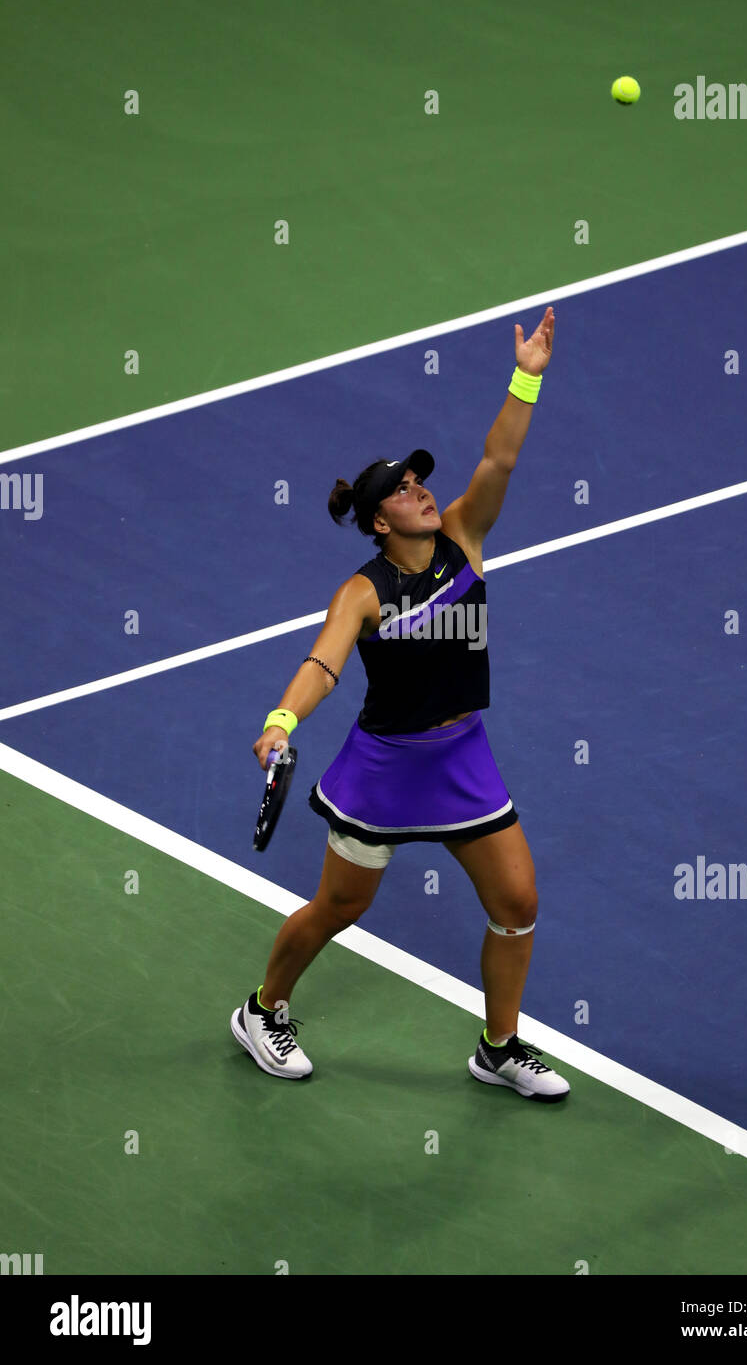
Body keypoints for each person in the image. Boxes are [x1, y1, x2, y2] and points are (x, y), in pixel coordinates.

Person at [231, 306, 569, 1101]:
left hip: (462, 758)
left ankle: (499, 1047)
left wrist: (527, 374)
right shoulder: (364, 590)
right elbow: (323, 663)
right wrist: (283, 719)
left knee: (517, 901)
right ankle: (261, 1010)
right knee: (341, 906)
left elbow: (500, 457)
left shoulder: (464, 538)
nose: (421, 493)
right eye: (404, 492)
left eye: (420, 482)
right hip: (383, 770)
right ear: (380, 522)